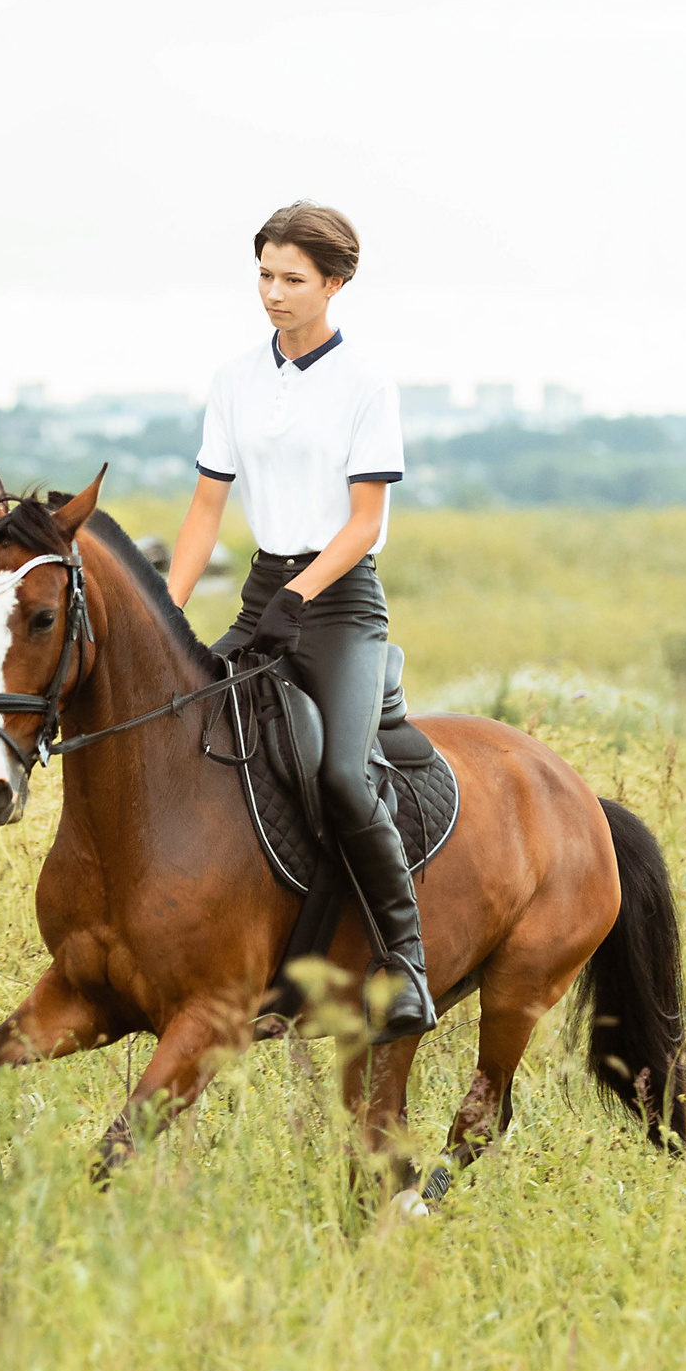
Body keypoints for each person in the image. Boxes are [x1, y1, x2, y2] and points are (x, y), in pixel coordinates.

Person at [165, 201, 436, 1045]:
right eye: (264, 275)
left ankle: (407, 966)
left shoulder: (366, 386)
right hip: (261, 595)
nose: (272, 293)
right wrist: (168, 616)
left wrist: (300, 599)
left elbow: (363, 522)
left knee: (344, 779)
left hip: (342, 604)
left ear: (334, 283)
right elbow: (206, 508)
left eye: (291, 279)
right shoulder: (234, 379)